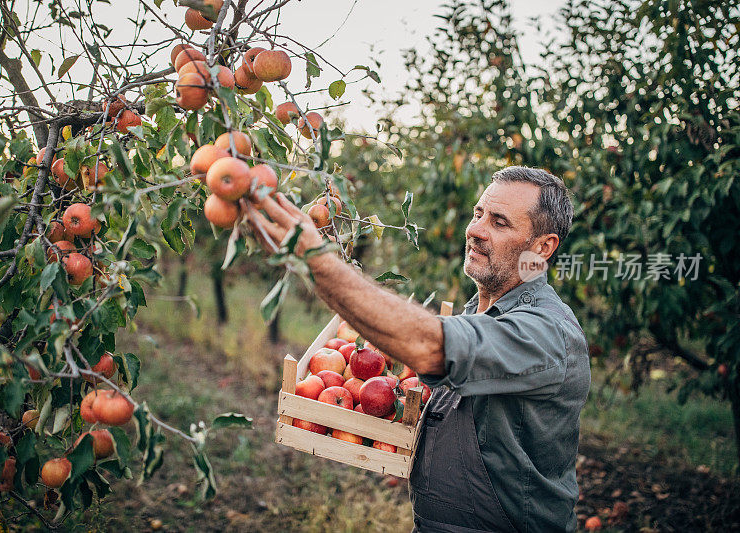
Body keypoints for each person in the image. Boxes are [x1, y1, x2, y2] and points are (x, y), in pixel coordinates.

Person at [242, 166, 591, 533]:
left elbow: (428, 345)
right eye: (477, 214)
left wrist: (318, 261)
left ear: (542, 247)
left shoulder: (547, 333)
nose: (475, 230)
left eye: (499, 222)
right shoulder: (476, 313)